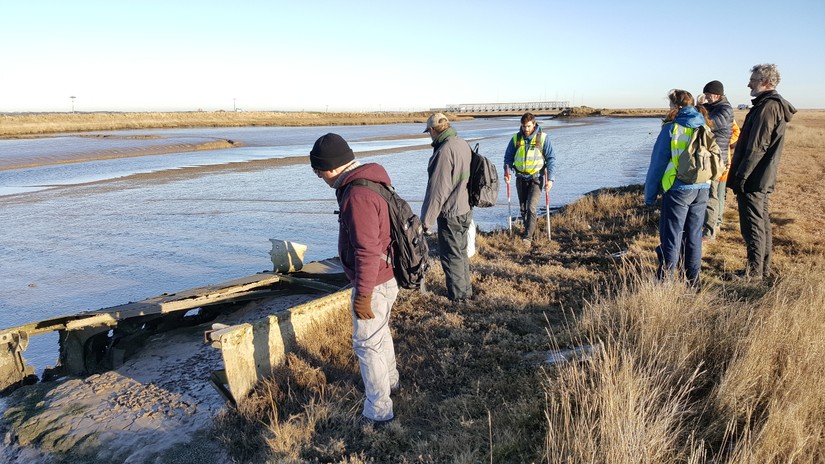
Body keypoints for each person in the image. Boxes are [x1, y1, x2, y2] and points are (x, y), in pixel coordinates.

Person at [309, 133, 399, 428]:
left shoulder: (357, 195)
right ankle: (392, 382)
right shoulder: (371, 179)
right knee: (380, 333)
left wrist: (363, 293)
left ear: (330, 167)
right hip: (387, 274)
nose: (319, 177)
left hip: (373, 280)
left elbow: (366, 249)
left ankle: (379, 412)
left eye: (318, 171)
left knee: (366, 343)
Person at [728, 64, 796, 280]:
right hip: (759, 176)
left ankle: (754, 272)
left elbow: (757, 147)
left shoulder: (768, 107)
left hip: (755, 177)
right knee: (760, 222)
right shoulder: (766, 105)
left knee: (753, 225)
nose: (749, 83)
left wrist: (741, 176)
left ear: (767, 82)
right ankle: (760, 269)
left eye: (754, 80)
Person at [644, 89, 711, 287]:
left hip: (678, 188)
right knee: (694, 236)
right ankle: (693, 282)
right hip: (702, 187)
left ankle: (664, 282)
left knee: (671, 237)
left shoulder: (671, 128)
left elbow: (657, 164)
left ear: (675, 106)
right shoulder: (704, 125)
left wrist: (649, 195)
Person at [420, 113, 473, 302]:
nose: (430, 136)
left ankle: (459, 299)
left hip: (451, 212)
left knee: (452, 257)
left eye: (429, 132)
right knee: (461, 253)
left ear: (433, 130)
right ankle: (466, 292)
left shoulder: (443, 151)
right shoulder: (461, 143)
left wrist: (426, 222)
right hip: (465, 208)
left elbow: (437, 191)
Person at [503, 112, 556, 244]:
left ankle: (527, 238)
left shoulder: (543, 138)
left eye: (528, 126)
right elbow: (508, 158)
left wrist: (551, 179)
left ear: (534, 124)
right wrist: (507, 171)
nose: (526, 129)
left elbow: (551, 159)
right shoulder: (516, 139)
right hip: (520, 178)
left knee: (532, 207)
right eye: (523, 126)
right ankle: (529, 229)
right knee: (523, 209)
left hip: (536, 179)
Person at [699, 80, 734, 241]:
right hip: (711, 157)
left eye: (708, 95)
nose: (706, 98)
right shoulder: (714, 107)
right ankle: (710, 226)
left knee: (713, 195)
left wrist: (698, 111)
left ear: (717, 94)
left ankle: (710, 231)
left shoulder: (725, 110)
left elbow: (709, 123)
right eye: (705, 95)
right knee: (711, 194)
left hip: (717, 159)